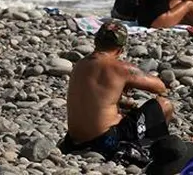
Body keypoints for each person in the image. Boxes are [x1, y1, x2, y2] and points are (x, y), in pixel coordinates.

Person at [59, 21, 175, 158]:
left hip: (72, 141)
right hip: (104, 141)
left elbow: (96, 100)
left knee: (123, 109)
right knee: (165, 105)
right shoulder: (120, 68)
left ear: (96, 41)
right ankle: (154, 149)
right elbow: (160, 87)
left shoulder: (80, 64)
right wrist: (129, 83)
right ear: (121, 49)